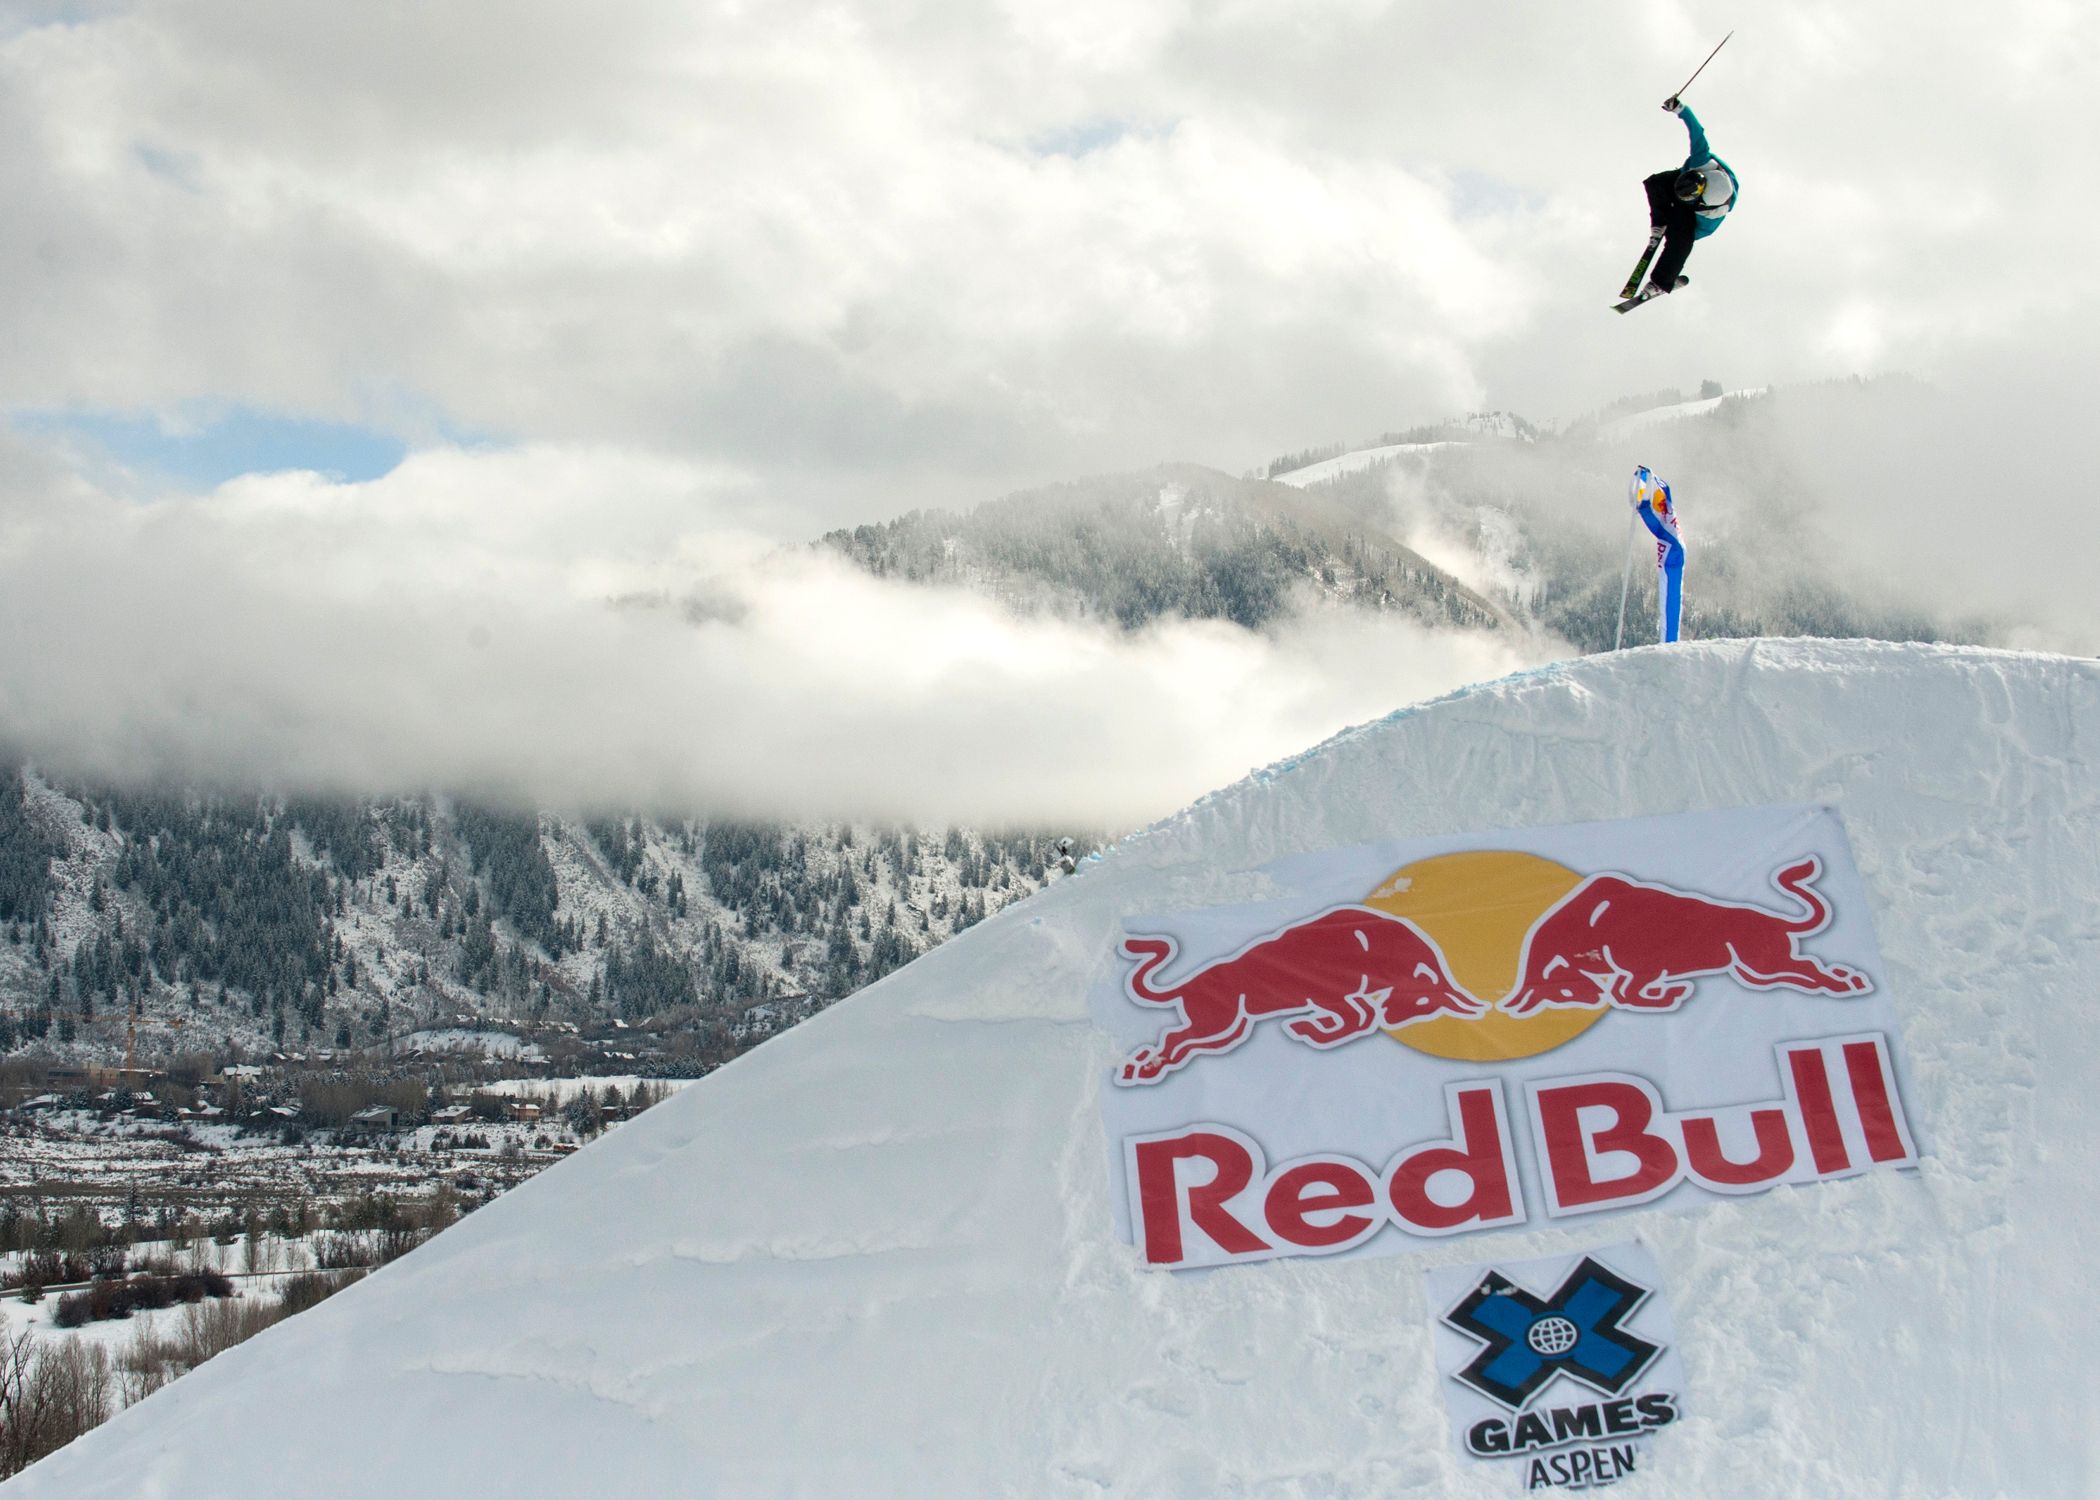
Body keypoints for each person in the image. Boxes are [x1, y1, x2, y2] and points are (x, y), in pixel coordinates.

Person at [1641, 97, 1738, 297]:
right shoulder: (1700, 161)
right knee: (1656, 183)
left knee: (1679, 237)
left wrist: (1672, 232)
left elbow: (1687, 241)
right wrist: (1680, 109)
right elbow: (1697, 132)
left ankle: (1662, 282)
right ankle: (1659, 222)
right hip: (1691, 183)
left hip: (1692, 214)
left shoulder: (1712, 213)